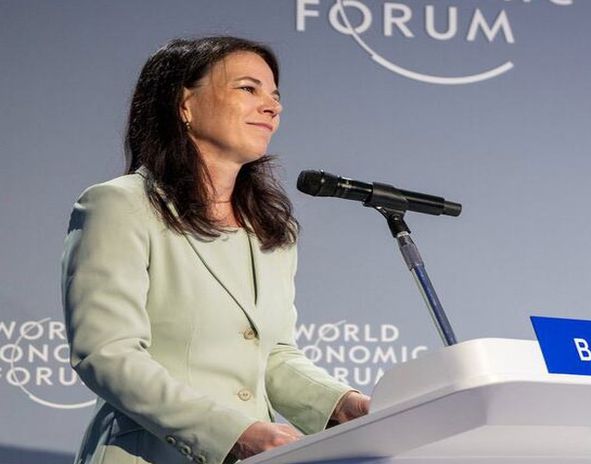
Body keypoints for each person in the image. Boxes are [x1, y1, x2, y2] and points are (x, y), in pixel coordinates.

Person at [61, 36, 370, 464]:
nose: (272, 107)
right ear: (184, 104)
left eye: (275, 95)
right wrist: (232, 433)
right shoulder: (120, 204)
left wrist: (342, 404)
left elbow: (272, 355)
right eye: (248, 88)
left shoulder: (271, 227)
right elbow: (108, 353)